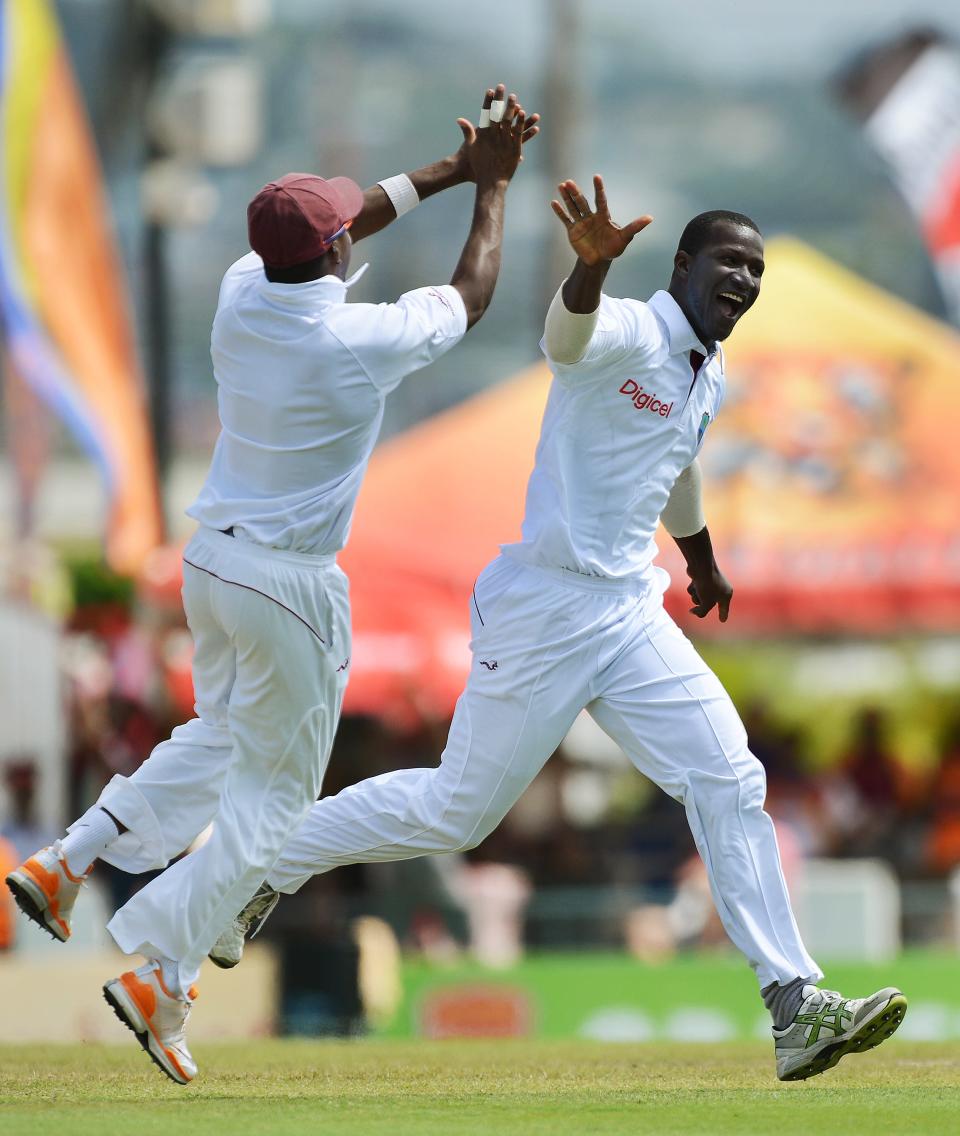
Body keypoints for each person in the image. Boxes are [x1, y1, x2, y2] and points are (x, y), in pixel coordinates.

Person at [211, 176, 907, 1081]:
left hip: (626, 609)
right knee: (457, 812)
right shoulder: (627, 327)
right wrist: (585, 274)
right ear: (684, 266)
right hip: (544, 606)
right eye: (730, 262)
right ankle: (261, 864)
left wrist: (698, 558)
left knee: (729, 776)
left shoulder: (708, 362)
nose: (746, 280)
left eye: (757, 269)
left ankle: (793, 1004)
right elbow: (563, 340)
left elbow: (680, 462)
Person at [6, 83, 538, 1084]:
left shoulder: (244, 290)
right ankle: (164, 974)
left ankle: (66, 859)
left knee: (215, 737)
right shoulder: (353, 340)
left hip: (212, 562)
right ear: (333, 255)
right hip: (290, 582)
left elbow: (350, 215)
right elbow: (469, 299)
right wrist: (493, 190)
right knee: (277, 800)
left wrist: (457, 167)